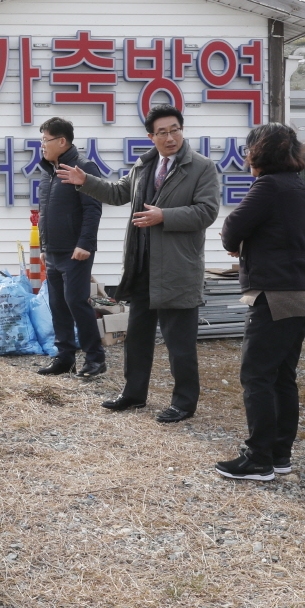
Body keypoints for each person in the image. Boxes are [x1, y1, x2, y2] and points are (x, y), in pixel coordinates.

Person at [56, 105, 219, 422]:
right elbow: (118, 193)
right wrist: (84, 180)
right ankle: (133, 395)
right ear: (151, 136)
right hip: (142, 267)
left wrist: (164, 216)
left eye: (175, 130)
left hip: (177, 270)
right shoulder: (145, 165)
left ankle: (184, 403)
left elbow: (207, 212)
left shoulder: (201, 167)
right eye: (162, 132)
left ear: (181, 131)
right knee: (138, 338)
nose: (170, 137)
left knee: (180, 345)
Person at [214, 123, 305, 481]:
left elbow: (231, 229)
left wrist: (240, 240)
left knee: (256, 375)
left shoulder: (268, 186)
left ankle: (257, 459)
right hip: (301, 294)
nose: (245, 156)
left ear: (259, 152)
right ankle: (279, 455)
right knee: (282, 378)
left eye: (248, 149)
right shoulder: (299, 186)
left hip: (274, 296)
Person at [34, 117, 106, 378]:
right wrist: (44, 246)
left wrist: (85, 244)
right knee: (58, 304)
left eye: (46, 140)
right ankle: (65, 358)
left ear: (61, 141)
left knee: (76, 302)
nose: (42, 145)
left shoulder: (84, 168)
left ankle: (96, 359)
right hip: (53, 251)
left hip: (77, 251)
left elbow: (92, 209)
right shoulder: (47, 171)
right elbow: (44, 212)